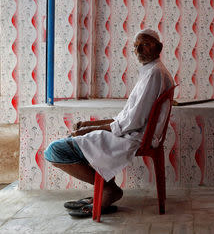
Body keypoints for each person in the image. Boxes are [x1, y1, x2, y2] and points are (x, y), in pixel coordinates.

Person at [44, 28, 174, 217]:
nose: (139, 50)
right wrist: (88, 126)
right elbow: (128, 116)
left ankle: (107, 190)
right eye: (136, 46)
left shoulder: (155, 73)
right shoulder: (151, 71)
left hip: (134, 136)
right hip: (133, 132)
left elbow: (133, 121)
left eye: (145, 44)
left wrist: (92, 128)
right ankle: (107, 189)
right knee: (75, 141)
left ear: (158, 47)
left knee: (55, 150)